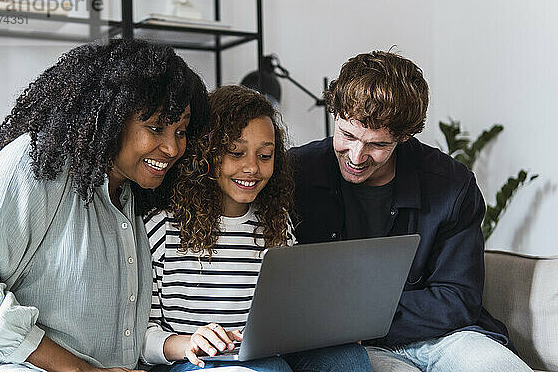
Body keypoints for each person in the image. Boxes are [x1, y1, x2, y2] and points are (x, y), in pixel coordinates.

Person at [0, 39, 209, 372]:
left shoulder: (133, 198)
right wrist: (83, 370)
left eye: (181, 131)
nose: (172, 147)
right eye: (156, 128)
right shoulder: (33, 166)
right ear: (110, 116)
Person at [289, 51, 533, 372]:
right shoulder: (296, 172)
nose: (357, 156)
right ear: (335, 115)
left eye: (377, 145)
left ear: (404, 137)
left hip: (449, 337)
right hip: (347, 346)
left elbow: (458, 297)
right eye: (347, 135)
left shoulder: (452, 184)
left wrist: (359, 318)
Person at [142, 85, 372, 372]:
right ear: (206, 155)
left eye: (265, 156)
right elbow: (139, 335)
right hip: (191, 361)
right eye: (236, 153)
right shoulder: (162, 227)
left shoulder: (277, 222)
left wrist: (328, 324)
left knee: (348, 359)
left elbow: (292, 308)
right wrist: (188, 342)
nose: (252, 167)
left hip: (265, 354)